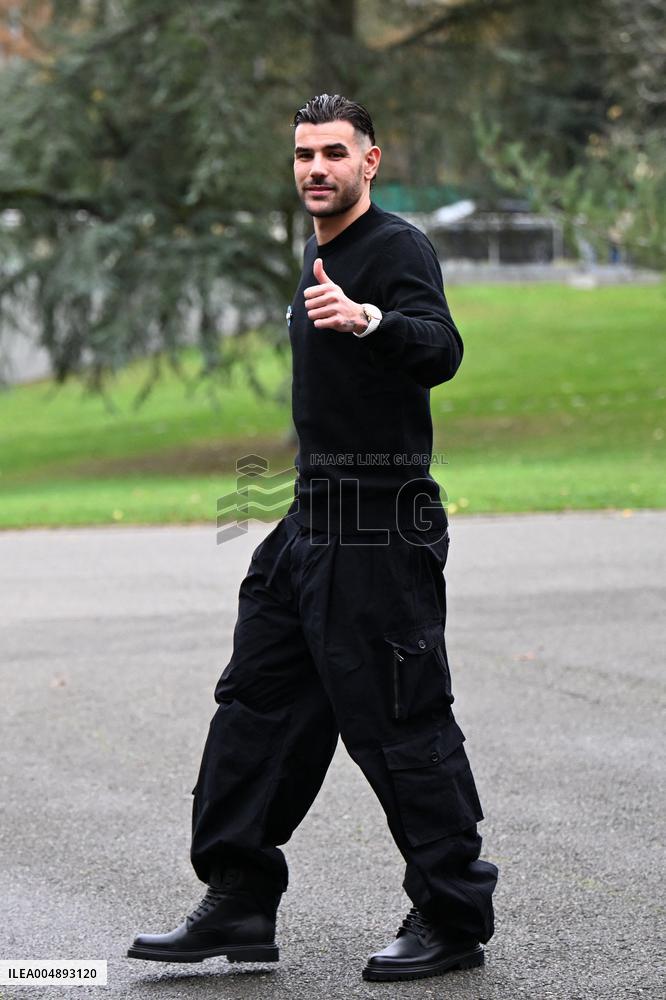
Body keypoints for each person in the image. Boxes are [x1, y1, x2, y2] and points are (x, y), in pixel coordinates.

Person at [128, 94, 498, 983]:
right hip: (310, 518)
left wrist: (370, 321)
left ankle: (452, 916)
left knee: (400, 721)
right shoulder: (319, 248)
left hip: (382, 523)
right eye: (303, 154)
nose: (316, 169)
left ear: (371, 161)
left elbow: (441, 350)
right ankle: (241, 900)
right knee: (258, 706)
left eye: (334, 152)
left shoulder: (396, 248)